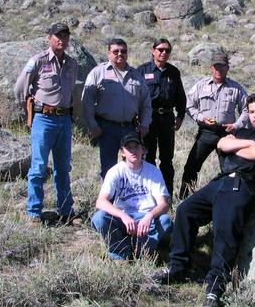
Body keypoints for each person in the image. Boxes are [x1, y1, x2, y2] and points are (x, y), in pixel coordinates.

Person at [154, 93, 255, 307]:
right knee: (186, 209)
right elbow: (222, 144)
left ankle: (215, 288)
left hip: (242, 186)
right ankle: (177, 267)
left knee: (224, 232)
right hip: (221, 182)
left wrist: (239, 147)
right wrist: (247, 143)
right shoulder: (243, 131)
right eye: (251, 111)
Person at [13, 22, 78, 224]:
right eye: (58, 36)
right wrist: (31, 109)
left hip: (64, 120)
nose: (62, 40)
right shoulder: (38, 61)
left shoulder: (72, 63)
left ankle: (65, 211)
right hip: (44, 119)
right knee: (39, 166)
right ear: (49, 38)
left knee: (63, 167)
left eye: (65, 36)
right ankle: (34, 212)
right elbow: (20, 89)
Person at [91, 132, 172, 261]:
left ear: (143, 149)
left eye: (136, 147)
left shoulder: (153, 171)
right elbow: (100, 202)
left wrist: (149, 216)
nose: (133, 151)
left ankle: (140, 251)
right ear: (122, 152)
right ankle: (120, 252)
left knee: (165, 221)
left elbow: (163, 204)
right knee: (99, 218)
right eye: (129, 148)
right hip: (124, 218)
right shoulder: (115, 171)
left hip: (145, 219)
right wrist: (123, 215)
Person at [179, 51, 248, 199]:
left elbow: (247, 109)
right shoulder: (201, 85)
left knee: (230, 170)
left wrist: (236, 125)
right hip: (206, 132)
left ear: (227, 68)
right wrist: (200, 118)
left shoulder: (236, 88)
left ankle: (229, 199)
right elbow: (189, 104)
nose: (218, 70)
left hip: (227, 134)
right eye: (216, 66)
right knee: (191, 166)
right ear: (211, 67)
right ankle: (184, 199)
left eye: (222, 66)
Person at [81, 38, 152, 179]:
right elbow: (86, 101)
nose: (120, 54)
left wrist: (144, 124)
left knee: (134, 166)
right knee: (108, 169)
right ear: (109, 53)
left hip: (130, 128)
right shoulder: (98, 73)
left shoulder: (136, 75)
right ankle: (109, 200)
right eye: (116, 51)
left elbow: (146, 103)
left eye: (123, 51)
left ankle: (130, 199)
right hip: (107, 129)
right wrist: (92, 125)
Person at [137, 38, 186, 203]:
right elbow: (135, 95)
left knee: (166, 160)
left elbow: (180, 96)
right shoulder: (142, 71)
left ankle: (167, 197)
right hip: (148, 119)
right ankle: (149, 197)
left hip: (167, 119)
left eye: (167, 50)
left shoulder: (173, 72)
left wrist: (180, 116)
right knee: (148, 158)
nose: (163, 52)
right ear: (153, 50)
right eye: (160, 49)